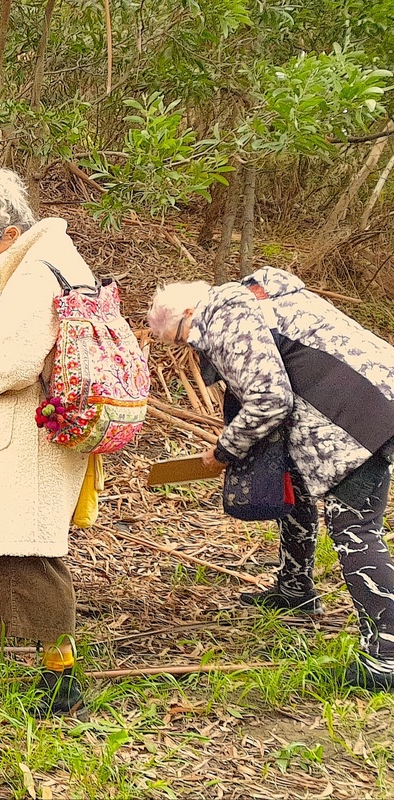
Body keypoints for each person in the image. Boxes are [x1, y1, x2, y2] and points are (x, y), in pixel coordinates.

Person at [148, 268, 394, 689]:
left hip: (355, 418)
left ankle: (386, 657)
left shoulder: (221, 315)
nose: (186, 347)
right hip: (370, 400)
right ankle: (294, 588)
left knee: (355, 530)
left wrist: (225, 451)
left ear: (190, 313)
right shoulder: (255, 301)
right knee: (293, 489)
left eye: (179, 336)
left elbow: (269, 399)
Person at [0, 168, 92, 716]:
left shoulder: (34, 274)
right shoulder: (61, 260)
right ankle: (47, 663)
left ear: (10, 233)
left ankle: (62, 682)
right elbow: (39, 343)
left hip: (32, 433)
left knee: (34, 549)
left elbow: (19, 360)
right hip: (53, 422)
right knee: (31, 543)